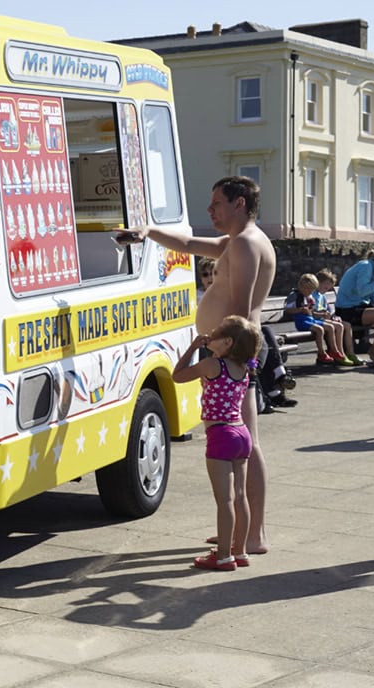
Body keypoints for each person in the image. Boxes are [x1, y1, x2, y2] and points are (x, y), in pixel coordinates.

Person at [117, 175, 275, 554]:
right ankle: (240, 530)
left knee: (245, 445)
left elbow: (239, 311)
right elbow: (187, 244)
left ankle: (252, 536)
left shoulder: (245, 245)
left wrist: (224, 362)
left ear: (240, 204)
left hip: (234, 356)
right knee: (242, 443)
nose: (210, 211)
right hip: (231, 354)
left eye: (217, 204)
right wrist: (148, 232)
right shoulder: (238, 243)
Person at [172, 315, 261, 570]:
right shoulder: (244, 368)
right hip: (241, 433)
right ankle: (240, 551)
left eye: (217, 332)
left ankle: (222, 556)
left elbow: (177, 376)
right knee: (240, 496)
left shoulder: (212, 364)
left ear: (228, 342)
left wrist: (192, 347)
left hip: (221, 436)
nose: (211, 333)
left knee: (224, 500)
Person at [201, 257, 295, 409]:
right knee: (258, 343)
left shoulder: (227, 294)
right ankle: (273, 383)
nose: (210, 278)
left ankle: (268, 382)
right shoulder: (201, 297)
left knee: (264, 333)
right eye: (205, 275)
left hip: (233, 338)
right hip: (217, 342)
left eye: (214, 273)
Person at [284, 273, 356, 366]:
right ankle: (322, 353)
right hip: (302, 321)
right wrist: (300, 310)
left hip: (310, 319)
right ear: (301, 286)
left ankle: (334, 351)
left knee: (330, 327)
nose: (310, 293)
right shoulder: (295, 295)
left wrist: (311, 308)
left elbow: (311, 310)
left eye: (311, 290)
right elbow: (287, 310)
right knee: (320, 329)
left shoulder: (308, 296)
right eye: (308, 290)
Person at [334, 250, 374, 368]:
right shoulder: (365, 267)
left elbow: (371, 298)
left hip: (358, 308)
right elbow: (362, 291)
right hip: (347, 310)